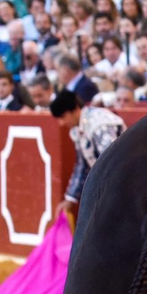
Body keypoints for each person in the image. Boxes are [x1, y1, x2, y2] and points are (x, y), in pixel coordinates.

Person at [51, 90, 127, 227]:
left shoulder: (100, 124)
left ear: (75, 110)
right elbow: (82, 166)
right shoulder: (77, 129)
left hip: (122, 186)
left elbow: (112, 163)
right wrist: (70, 199)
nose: (61, 123)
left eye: (63, 117)